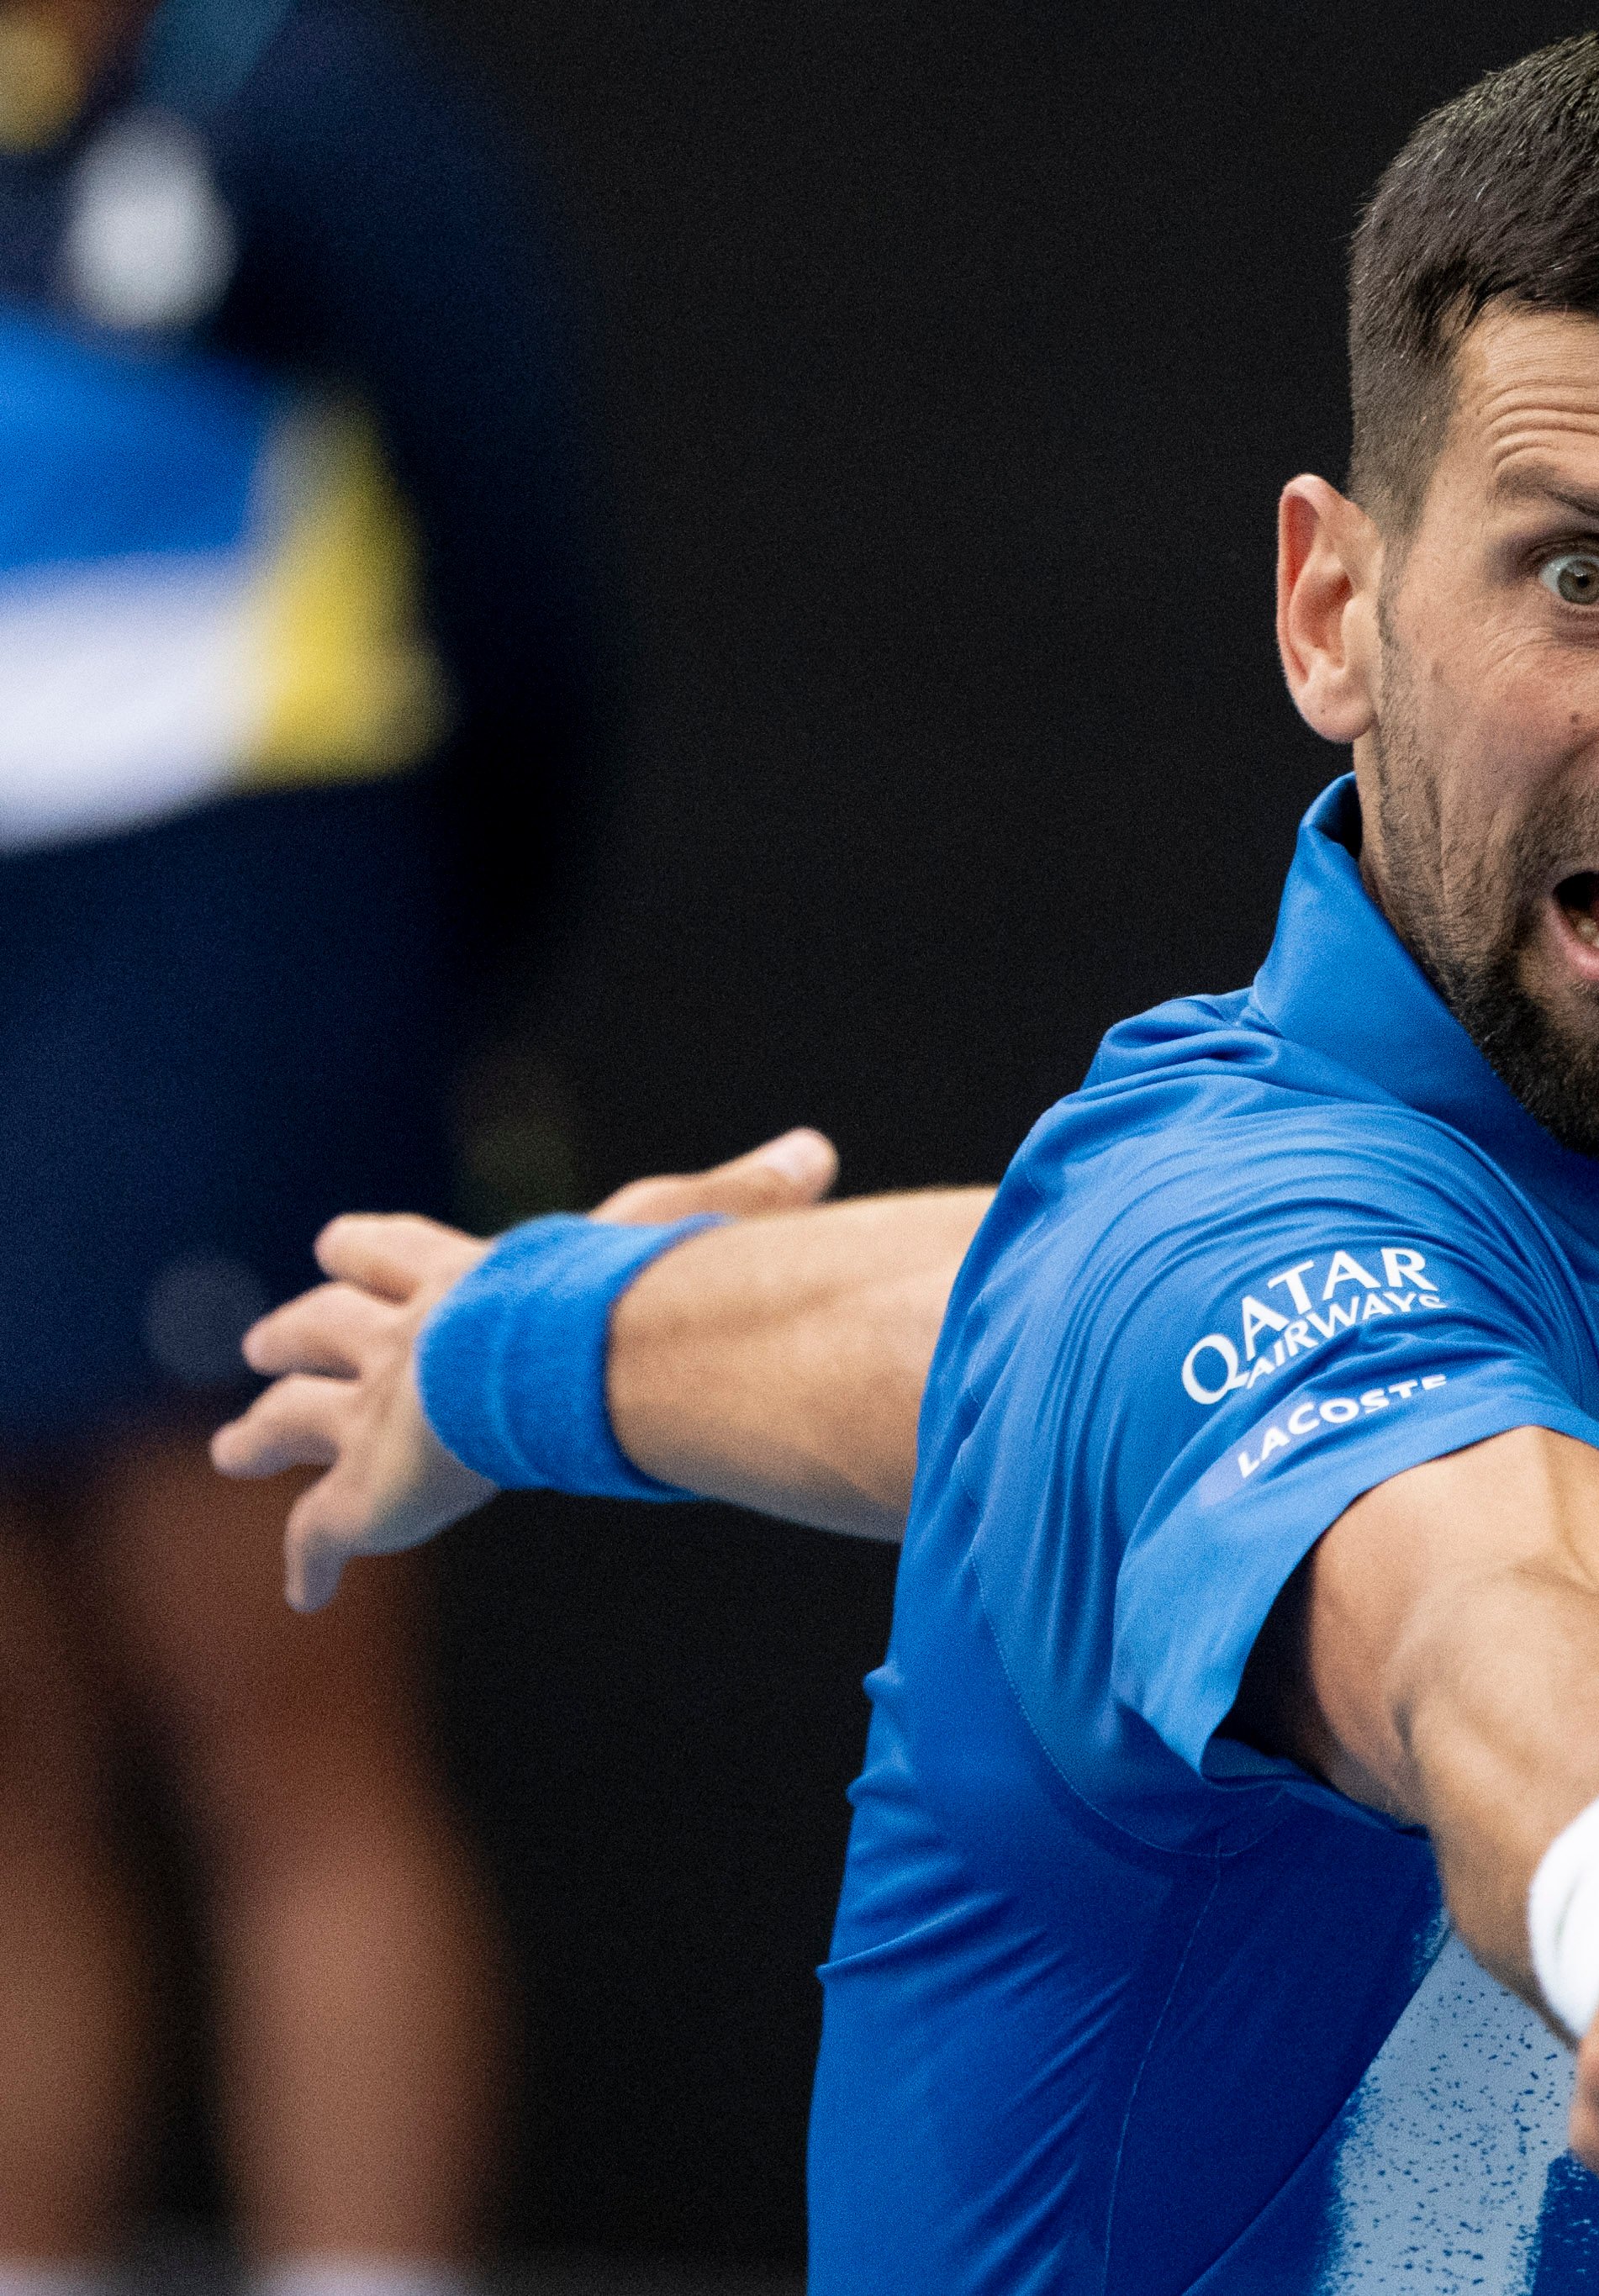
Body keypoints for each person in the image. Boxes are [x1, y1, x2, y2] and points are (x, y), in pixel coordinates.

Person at [220, 24, 1599, 2293]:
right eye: (1579, 573)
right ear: (1335, 607)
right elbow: (1475, 1597)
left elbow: (1002, 1328)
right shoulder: (1237, 1236)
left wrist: (533, 1338)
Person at [0, 2, 594, 2290]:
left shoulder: (319, 125)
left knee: (288, 1749)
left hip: (227, 1014)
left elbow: (531, 618)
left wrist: (379, 987)